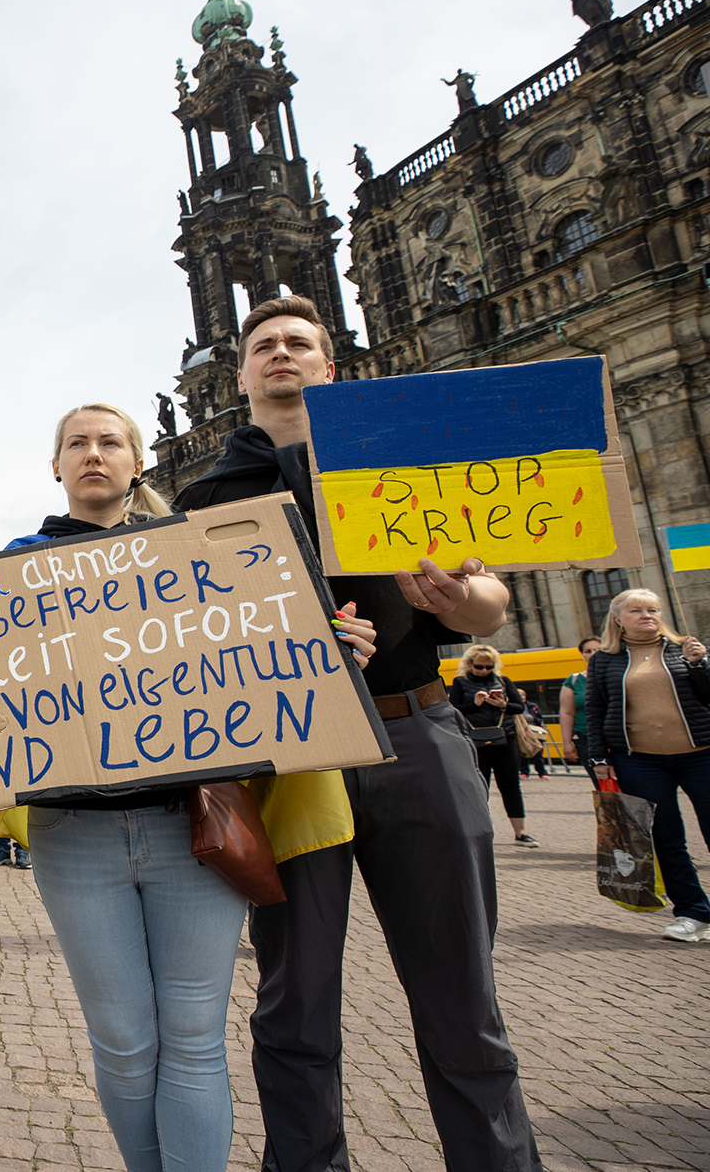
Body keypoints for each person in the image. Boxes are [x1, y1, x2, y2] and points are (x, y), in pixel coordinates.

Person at [173, 294, 538, 1172]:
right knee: (294, 998)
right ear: (243, 374)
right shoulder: (206, 495)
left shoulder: (397, 463)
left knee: (461, 991)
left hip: (415, 732)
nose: (283, 355)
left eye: (300, 343)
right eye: (266, 347)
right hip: (293, 756)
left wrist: (461, 600)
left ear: (329, 366)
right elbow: (189, 642)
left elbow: (490, 598)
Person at [4, 403, 376, 1172]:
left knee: (197, 1038)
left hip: (193, 829)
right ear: (56, 466)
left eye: (111, 442)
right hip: (76, 837)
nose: (94, 454)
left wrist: (334, 653)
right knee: (124, 1040)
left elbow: (272, 650)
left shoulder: (201, 553)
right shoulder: (13, 566)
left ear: (138, 463)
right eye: (78, 443)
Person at [583, 588, 710, 943]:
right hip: (639, 760)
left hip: (701, 754)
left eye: (652, 609)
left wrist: (701, 664)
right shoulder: (604, 660)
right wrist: (599, 758)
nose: (647, 615)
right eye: (636, 610)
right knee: (666, 838)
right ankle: (693, 913)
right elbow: (594, 710)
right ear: (618, 619)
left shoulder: (686, 648)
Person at [449, 645, 537, 847]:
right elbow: (454, 710)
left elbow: (519, 707)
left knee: (511, 786)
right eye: (479, 666)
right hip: (476, 740)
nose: (484, 671)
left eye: (489, 667)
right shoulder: (460, 682)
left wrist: (503, 704)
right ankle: (481, 831)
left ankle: (521, 832)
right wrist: (475, 704)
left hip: (505, 738)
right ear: (470, 664)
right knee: (480, 786)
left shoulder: (503, 681)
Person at [560, 637, 602, 784]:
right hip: (586, 738)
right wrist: (567, 742)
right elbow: (567, 713)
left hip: (617, 738)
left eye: (597, 650)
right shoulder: (574, 680)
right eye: (587, 651)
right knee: (602, 784)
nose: (593, 654)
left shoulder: (618, 674)